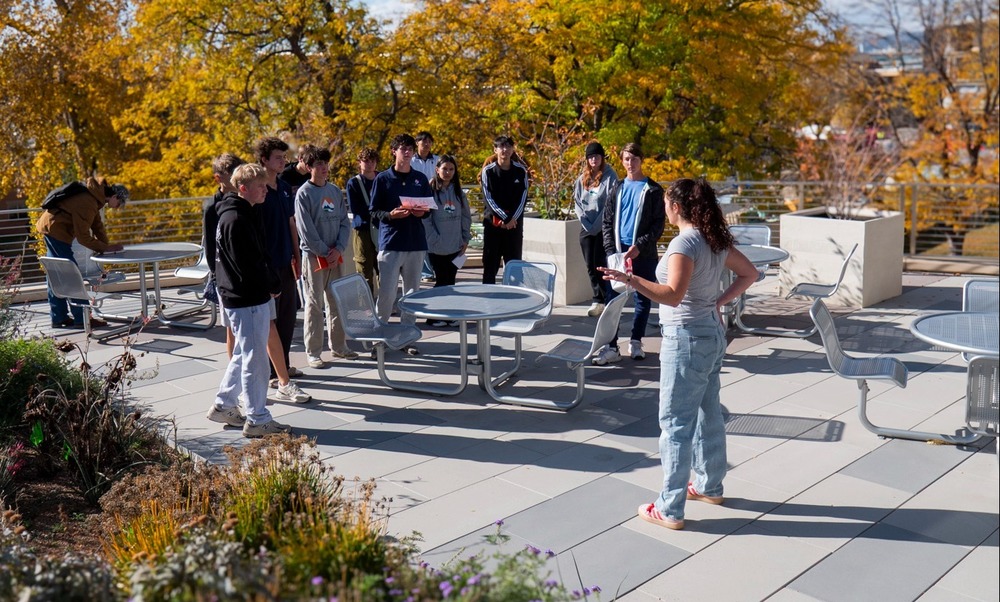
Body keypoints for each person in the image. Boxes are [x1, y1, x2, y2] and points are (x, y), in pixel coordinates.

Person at [601, 177, 757, 531]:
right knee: (708, 412)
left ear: (677, 206)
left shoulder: (685, 242)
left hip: (687, 339)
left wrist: (630, 281)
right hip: (712, 335)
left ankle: (670, 508)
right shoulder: (713, 239)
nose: (665, 208)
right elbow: (750, 273)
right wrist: (717, 301)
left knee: (675, 424)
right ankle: (708, 485)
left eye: (668, 202)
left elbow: (672, 295)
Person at [206, 163, 293, 439]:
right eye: (260, 187)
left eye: (265, 185)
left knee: (245, 353)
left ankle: (224, 404)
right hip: (246, 298)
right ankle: (257, 418)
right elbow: (246, 264)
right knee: (256, 361)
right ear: (243, 188)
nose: (265, 190)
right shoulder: (237, 219)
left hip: (240, 296)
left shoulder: (239, 213)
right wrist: (270, 285)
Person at [600, 143, 665, 362]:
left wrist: (640, 246)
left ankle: (636, 341)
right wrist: (611, 251)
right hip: (617, 254)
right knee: (612, 300)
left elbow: (658, 226)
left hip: (643, 254)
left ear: (641, 160)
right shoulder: (616, 188)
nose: (630, 163)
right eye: (626, 159)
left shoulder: (654, 190)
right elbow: (607, 222)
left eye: (634, 159)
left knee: (643, 299)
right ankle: (611, 346)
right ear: (622, 161)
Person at [35, 176, 128, 328]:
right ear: (114, 196)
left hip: (53, 228)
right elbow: (83, 237)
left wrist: (107, 245)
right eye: (119, 203)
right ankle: (82, 319)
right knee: (70, 274)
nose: (117, 207)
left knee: (56, 274)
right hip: (56, 230)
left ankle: (59, 318)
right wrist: (105, 248)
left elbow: (97, 225)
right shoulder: (88, 202)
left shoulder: (95, 197)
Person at [294, 145, 357, 368]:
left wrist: (338, 249)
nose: (323, 168)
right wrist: (324, 252)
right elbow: (305, 230)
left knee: (337, 300)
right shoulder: (303, 194)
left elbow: (343, 222)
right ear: (309, 167)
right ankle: (313, 352)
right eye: (319, 164)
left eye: (326, 164)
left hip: (335, 256)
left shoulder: (333, 190)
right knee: (314, 304)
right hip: (314, 258)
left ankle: (339, 346)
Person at [369, 133, 431, 355]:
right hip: (391, 243)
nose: (407, 151)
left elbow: (428, 210)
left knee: (412, 295)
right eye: (402, 148)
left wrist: (422, 211)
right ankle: (378, 341)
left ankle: (407, 339)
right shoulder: (383, 179)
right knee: (386, 295)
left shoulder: (421, 179)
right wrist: (391, 215)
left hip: (416, 243)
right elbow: (374, 212)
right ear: (393, 151)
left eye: (410, 148)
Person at [252, 136, 303, 381]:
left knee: (287, 318)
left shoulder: (283, 187)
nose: (283, 161)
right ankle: (271, 372)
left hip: (286, 262)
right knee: (268, 322)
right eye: (278, 158)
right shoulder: (257, 190)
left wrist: (298, 256)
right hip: (266, 266)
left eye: (285, 157)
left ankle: (283, 366)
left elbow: (292, 222)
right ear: (264, 160)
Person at [424, 155, 472, 326]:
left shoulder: (457, 191)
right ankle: (434, 315)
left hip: (455, 245)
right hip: (436, 246)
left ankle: (449, 314)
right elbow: (425, 218)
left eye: (451, 169)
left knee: (450, 281)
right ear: (437, 169)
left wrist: (465, 237)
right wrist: (433, 238)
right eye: (444, 169)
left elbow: (466, 215)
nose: (448, 172)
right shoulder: (430, 189)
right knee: (441, 281)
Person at [573, 141, 619, 320]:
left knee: (602, 264)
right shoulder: (582, 178)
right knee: (590, 265)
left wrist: (596, 225)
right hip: (586, 227)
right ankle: (597, 298)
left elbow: (610, 203)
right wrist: (584, 221)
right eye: (591, 157)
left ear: (602, 157)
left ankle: (608, 299)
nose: (594, 160)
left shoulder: (610, 176)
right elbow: (577, 201)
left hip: (603, 228)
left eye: (597, 156)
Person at [206, 153, 246, 358]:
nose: (234, 178)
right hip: (225, 275)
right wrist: (215, 274)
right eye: (230, 174)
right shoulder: (212, 206)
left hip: (245, 273)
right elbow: (211, 245)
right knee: (231, 326)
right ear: (218, 177)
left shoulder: (246, 200)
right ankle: (233, 366)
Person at [480, 135, 529, 284]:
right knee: (490, 265)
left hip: (514, 226)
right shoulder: (488, 171)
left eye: (508, 146)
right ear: (495, 149)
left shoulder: (521, 171)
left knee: (514, 266)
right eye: (501, 147)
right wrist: (504, 218)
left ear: (513, 149)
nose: (505, 150)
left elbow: (523, 196)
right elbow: (488, 198)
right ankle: (488, 299)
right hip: (493, 225)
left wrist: (512, 219)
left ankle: (514, 300)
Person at [346, 148, 380, 297]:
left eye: (373, 161)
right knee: (364, 268)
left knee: (384, 269)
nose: (370, 164)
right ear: (359, 163)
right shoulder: (354, 183)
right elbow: (356, 208)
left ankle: (385, 304)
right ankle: (367, 307)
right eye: (366, 161)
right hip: (363, 229)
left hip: (382, 229)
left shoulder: (382, 178)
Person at [411, 131, 440, 283]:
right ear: (417, 143)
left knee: (433, 235)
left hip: (435, 202)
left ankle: (436, 268)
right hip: (417, 203)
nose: (427, 144)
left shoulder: (437, 160)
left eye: (429, 141)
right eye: (424, 141)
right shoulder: (412, 161)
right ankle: (426, 272)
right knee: (421, 236)